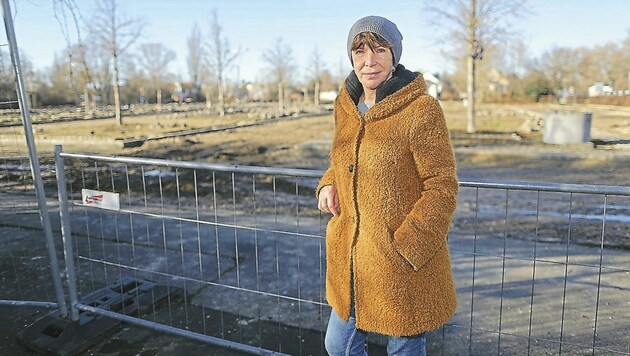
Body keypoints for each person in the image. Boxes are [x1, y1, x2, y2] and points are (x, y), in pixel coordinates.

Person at [316, 15, 459, 355]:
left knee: (403, 350)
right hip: (352, 260)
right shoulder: (347, 105)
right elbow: (344, 160)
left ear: (394, 55)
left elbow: (442, 185)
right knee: (338, 345)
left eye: (379, 50)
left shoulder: (421, 109)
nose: (369, 61)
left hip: (400, 260)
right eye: (360, 52)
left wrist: (408, 246)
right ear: (351, 57)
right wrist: (327, 183)